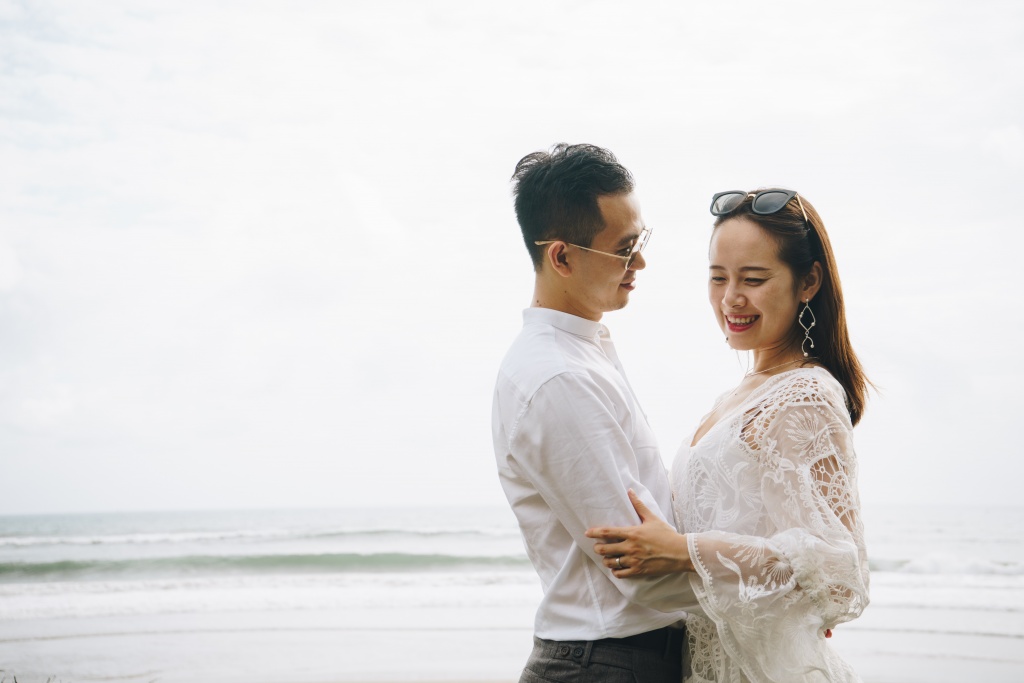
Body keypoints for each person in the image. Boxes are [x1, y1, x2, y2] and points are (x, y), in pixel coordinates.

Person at [586, 189, 871, 683]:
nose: (731, 298)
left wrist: (684, 551)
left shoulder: (804, 394)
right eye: (718, 277)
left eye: (753, 279)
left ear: (808, 281)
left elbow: (841, 575)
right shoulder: (738, 396)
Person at [492, 143, 699, 683]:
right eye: (625, 249)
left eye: (641, 241)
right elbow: (641, 568)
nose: (640, 263)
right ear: (562, 257)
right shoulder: (558, 378)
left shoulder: (582, 353)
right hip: (607, 665)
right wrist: (770, 590)